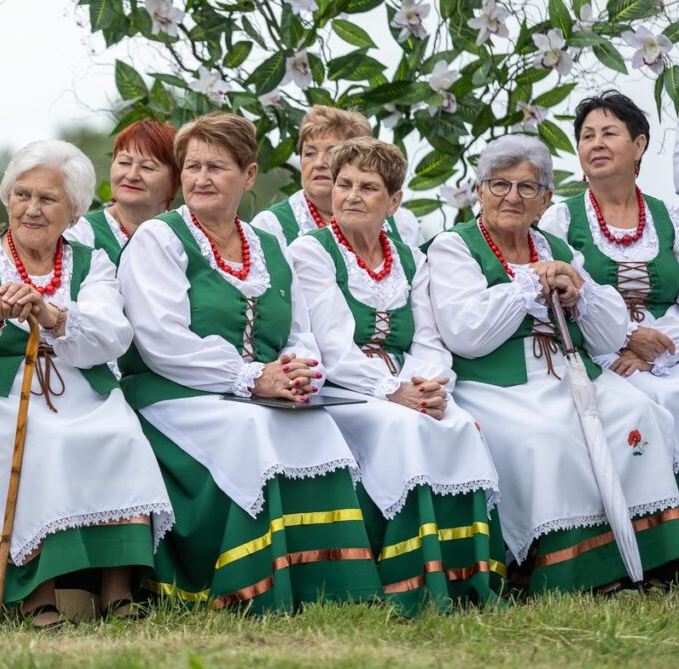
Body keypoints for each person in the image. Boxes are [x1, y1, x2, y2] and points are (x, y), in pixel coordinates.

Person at [118, 111, 382, 613]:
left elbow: (300, 331)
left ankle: (328, 587)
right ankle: (249, 587)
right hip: (173, 391)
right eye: (192, 167)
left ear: (249, 175)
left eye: (216, 167)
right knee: (254, 431)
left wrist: (299, 370)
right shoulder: (160, 238)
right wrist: (252, 377)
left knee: (318, 427)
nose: (200, 178)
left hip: (260, 389)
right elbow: (161, 341)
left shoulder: (269, 244)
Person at [0, 140, 174, 627]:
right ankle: (39, 591)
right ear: (7, 199)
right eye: (22, 195)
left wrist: (51, 314)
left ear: (74, 212)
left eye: (47, 199)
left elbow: (112, 333)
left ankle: (116, 589)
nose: (31, 209)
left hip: (73, 384)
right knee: (46, 440)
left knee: (120, 436)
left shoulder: (90, 261)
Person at [427, 134, 679, 595]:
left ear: (544, 200)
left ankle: (655, 560)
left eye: (527, 188)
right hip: (498, 384)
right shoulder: (453, 246)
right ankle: (569, 572)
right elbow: (466, 332)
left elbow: (607, 333)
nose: (512, 197)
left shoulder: (554, 245)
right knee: (547, 437)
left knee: (637, 415)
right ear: (480, 190)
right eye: (499, 185)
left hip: (572, 372)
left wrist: (578, 290)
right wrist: (526, 287)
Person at [290, 138, 503, 615]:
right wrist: (392, 391)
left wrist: (427, 386)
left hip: (407, 385)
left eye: (368, 187)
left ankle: (468, 577)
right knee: (404, 427)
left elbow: (429, 338)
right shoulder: (312, 251)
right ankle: (409, 580)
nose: (351, 195)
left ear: (394, 200)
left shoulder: (411, 258)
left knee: (461, 426)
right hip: (345, 391)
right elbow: (332, 347)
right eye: (344, 184)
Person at [540, 91, 679, 470]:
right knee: (648, 402)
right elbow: (559, 302)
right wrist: (626, 339)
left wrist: (661, 350)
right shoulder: (560, 220)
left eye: (608, 133)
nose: (596, 144)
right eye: (587, 136)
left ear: (639, 145)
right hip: (600, 355)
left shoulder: (670, 216)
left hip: (670, 350)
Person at [252, 105, 422, 246]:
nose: (319, 163)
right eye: (309, 153)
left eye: (332, 152)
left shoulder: (403, 223)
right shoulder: (270, 225)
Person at [65, 118, 180, 264]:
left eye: (148, 167)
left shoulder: (187, 236)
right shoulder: (80, 235)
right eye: (124, 163)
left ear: (176, 178)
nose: (132, 175)